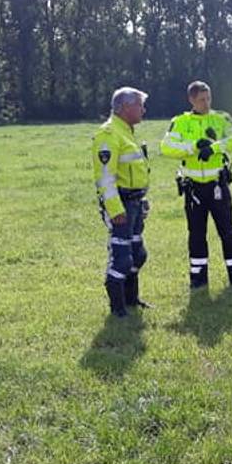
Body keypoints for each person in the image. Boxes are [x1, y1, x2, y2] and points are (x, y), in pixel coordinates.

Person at [160, 81, 232, 289]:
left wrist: (217, 147)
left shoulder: (221, 118)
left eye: (208, 98)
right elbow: (166, 147)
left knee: (227, 231)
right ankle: (198, 280)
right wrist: (191, 148)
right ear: (191, 100)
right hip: (194, 189)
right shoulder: (180, 122)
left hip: (218, 185)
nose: (206, 103)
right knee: (196, 234)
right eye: (201, 100)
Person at [91, 87, 152, 318]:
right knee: (122, 257)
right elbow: (105, 178)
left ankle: (132, 299)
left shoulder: (127, 131)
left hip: (135, 204)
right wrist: (115, 209)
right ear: (125, 107)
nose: (143, 110)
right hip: (122, 206)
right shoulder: (108, 134)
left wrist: (142, 200)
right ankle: (117, 308)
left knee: (138, 254)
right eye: (140, 105)